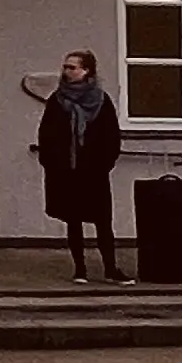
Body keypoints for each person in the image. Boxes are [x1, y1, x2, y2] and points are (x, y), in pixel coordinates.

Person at [35, 48, 127, 284]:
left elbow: (111, 135)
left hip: (94, 170)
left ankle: (110, 268)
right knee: (73, 220)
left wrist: (105, 163)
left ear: (86, 71)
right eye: (65, 67)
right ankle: (80, 269)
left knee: (103, 221)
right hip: (67, 171)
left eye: (72, 67)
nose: (67, 71)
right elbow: (46, 134)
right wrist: (51, 163)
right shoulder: (57, 100)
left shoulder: (100, 100)